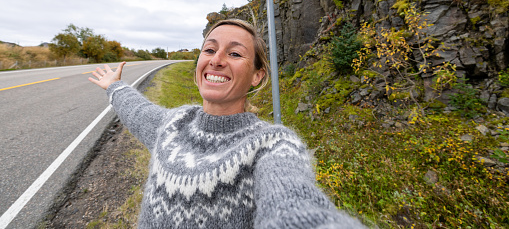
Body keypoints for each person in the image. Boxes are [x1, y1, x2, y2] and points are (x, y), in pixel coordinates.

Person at [89, 19, 365, 229]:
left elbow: (293, 202)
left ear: (257, 75)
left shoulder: (271, 145)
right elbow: (138, 112)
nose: (217, 60)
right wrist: (115, 87)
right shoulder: (174, 123)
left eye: (234, 54)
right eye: (209, 49)